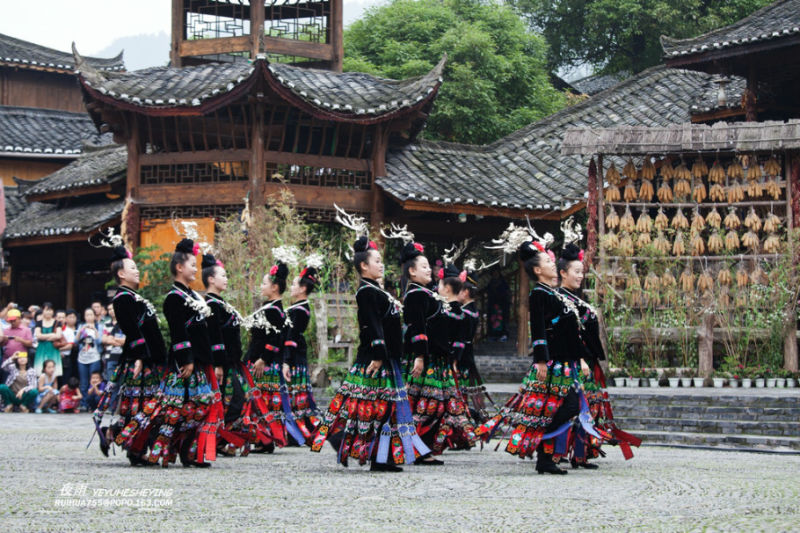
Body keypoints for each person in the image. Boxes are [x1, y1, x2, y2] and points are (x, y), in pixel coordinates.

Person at [475, 231, 596, 475]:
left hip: (565, 361)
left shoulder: (554, 294)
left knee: (565, 406)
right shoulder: (539, 293)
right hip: (552, 363)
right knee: (564, 406)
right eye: (549, 262)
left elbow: (569, 331)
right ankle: (544, 451)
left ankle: (545, 456)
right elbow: (538, 328)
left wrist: (580, 357)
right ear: (539, 270)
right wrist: (541, 359)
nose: (553, 263)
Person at [311, 235, 430, 472]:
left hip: (387, 357)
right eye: (376, 261)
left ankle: (381, 457)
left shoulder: (376, 290)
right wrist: (378, 354)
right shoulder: (366, 291)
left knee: (383, 406)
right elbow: (372, 324)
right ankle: (342, 439)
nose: (381, 264)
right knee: (369, 406)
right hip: (376, 358)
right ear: (364, 266)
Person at [556, 243, 641, 466]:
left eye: (581, 272)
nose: (580, 276)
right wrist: (580, 359)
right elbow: (568, 335)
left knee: (590, 406)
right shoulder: (559, 300)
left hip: (587, 360)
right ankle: (558, 452)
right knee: (574, 406)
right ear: (563, 273)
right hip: (574, 361)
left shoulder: (575, 299)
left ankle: (581, 454)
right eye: (576, 271)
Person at [141, 238, 221, 467]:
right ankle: (159, 449)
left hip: (199, 359)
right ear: (179, 267)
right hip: (184, 362)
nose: (196, 269)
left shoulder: (194, 296)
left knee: (200, 404)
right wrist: (186, 358)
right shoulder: (174, 297)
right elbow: (178, 331)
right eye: (192, 265)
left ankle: (187, 450)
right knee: (174, 408)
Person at [401, 244, 473, 462]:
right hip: (426, 359)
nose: (429, 270)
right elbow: (418, 328)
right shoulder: (415, 295)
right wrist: (420, 356)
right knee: (427, 405)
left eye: (428, 266)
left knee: (436, 405)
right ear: (412, 271)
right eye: (423, 266)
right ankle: (416, 449)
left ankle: (422, 448)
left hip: (438, 358)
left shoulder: (427, 294)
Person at [100, 241, 167, 464]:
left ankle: (130, 444)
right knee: (142, 405)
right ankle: (124, 440)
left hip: (148, 357)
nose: (137, 271)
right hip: (139, 359)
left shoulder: (132, 295)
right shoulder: (122, 298)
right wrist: (139, 356)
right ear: (121, 273)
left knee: (147, 404)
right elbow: (131, 329)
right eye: (132, 268)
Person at [201, 252, 266, 456]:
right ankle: (215, 440)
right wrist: (218, 364)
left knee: (238, 399)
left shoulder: (220, 303)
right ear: (211, 279)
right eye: (223, 275)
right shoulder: (211, 304)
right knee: (233, 399)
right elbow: (215, 336)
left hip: (231, 362)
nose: (226, 279)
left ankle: (221, 440)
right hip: (223, 364)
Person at [246, 259, 304, 452]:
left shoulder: (273, 310)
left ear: (275, 287)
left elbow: (276, 338)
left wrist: (264, 358)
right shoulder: (272, 307)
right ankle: (264, 438)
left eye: (264, 283)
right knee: (263, 401)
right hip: (263, 360)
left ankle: (265, 439)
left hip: (265, 363)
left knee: (264, 401)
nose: (261, 286)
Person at [282, 261, 323, 444]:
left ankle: (301, 433)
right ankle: (296, 432)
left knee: (297, 396)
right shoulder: (298, 307)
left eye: (294, 284)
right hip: (295, 355)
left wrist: (287, 361)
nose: (291, 287)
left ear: (302, 288)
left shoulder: (300, 310)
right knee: (297, 396)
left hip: (294, 356)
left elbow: (292, 336)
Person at [456, 265, 494, 423]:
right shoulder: (472, 310)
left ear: (465, 292)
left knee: (460, 392)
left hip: (462, 357)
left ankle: (471, 417)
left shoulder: (464, 313)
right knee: (467, 391)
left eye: (458, 290)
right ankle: (476, 416)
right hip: (468, 355)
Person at [76, 308, 103, 411]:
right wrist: (81, 331)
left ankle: (94, 403)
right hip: (82, 359)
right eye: (87, 315)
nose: (89, 317)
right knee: (84, 383)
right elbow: (76, 341)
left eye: (91, 315)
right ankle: (84, 404)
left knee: (95, 381)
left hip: (94, 358)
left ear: (94, 316)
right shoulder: (81, 326)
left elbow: (100, 341)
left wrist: (95, 330)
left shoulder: (99, 326)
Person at [34, 303, 63, 379]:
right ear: (43, 311)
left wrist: (44, 337)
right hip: (41, 349)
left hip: (53, 349)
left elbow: (58, 335)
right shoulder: (39, 323)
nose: (48, 312)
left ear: (53, 311)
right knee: (40, 373)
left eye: (50, 310)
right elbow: (38, 335)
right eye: (46, 310)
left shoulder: (57, 322)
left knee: (54, 373)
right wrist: (52, 335)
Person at [101, 303, 125, 382]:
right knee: (111, 383)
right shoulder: (107, 323)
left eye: (113, 308)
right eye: (109, 309)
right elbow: (105, 340)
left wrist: (113, 339)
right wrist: (120, 341)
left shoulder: (125, 323)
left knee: (121, 383)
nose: (111, 311)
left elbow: (127, 341)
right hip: (110, 356)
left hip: (123, 357)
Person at [486, 269, 511, 341]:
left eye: (496, 273)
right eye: (494, 273)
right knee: (493, 320)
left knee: (502, 320)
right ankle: (492, 335)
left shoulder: (503, 282)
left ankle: (503, 334)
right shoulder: (491, 282)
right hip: (493, 305)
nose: (495, 274)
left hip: (502, 305)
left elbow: (506, 293)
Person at [59, 310, 77, 383]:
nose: (61, 319)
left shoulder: (69, 331)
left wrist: (58, 350)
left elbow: (70, 346)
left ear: (65, 319)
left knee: (65, 379)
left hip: (66, 358)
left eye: (62, 317)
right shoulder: (52, 330)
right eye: (59, 317)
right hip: (54, 358)